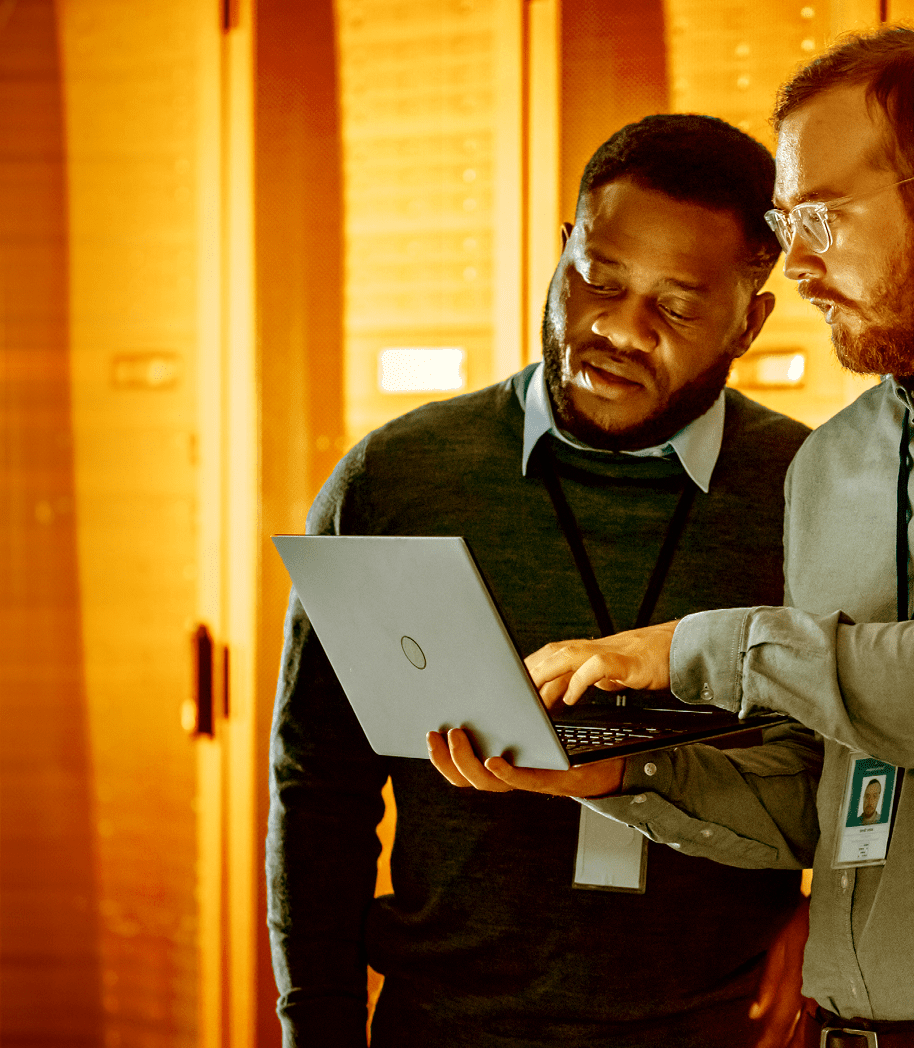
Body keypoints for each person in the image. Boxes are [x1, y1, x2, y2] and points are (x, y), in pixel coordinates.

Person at [267, 114, 818, 1048]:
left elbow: (860, 767)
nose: (616, 329)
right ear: (562, 250)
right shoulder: (401, 478)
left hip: (720, 1026)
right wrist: (315, 1025)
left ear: (750, 318)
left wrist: (829, 925)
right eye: (597, 279)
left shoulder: (810, 492)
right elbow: (320, 787)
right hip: (447, 1024)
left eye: (677, 307)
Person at [438, 28, 914, 1044]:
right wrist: (618, 776)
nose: (792, 262)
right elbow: (821, 799)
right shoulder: (835, 466)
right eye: (789, 222)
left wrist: (681, 650)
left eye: (823, 217)